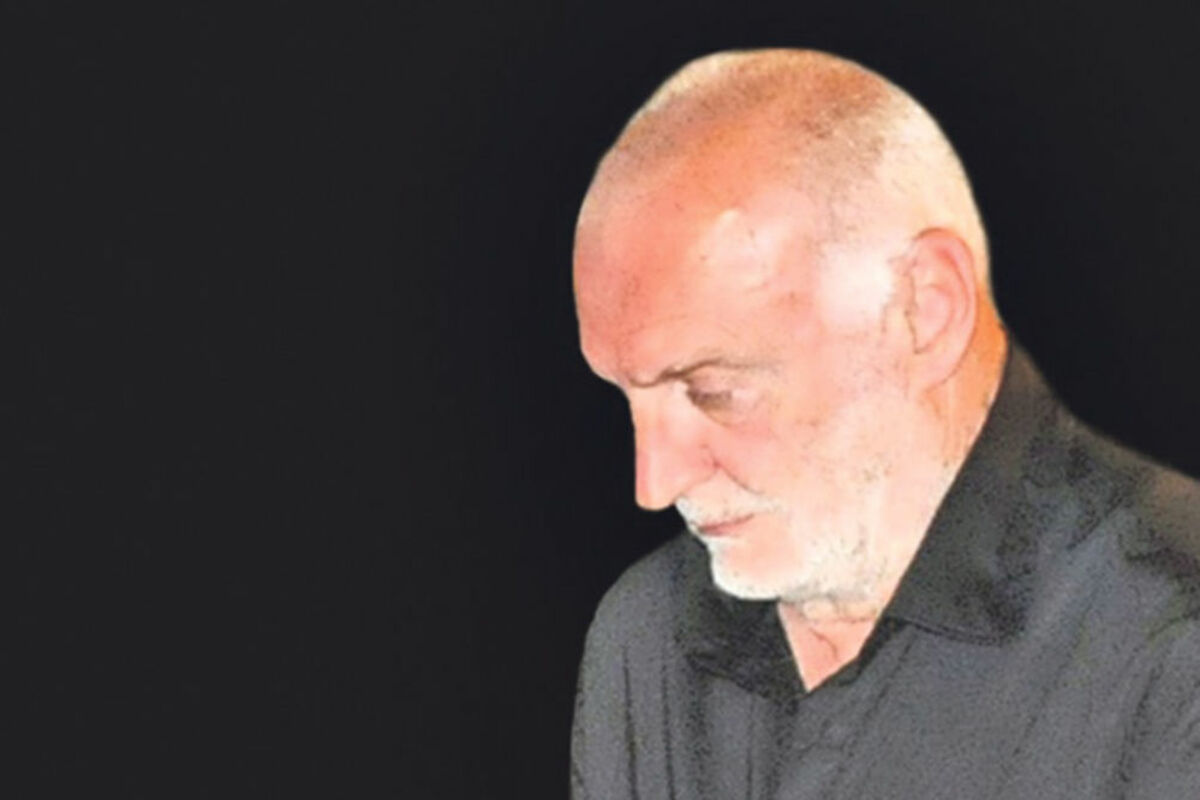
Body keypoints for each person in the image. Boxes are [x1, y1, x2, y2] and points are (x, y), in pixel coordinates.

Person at [570, 49, 1200, 799]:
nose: (654, 484)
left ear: (924, 311)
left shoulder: (1172, 637)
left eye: (715, 392)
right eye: (625, 397)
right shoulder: (646, 636)